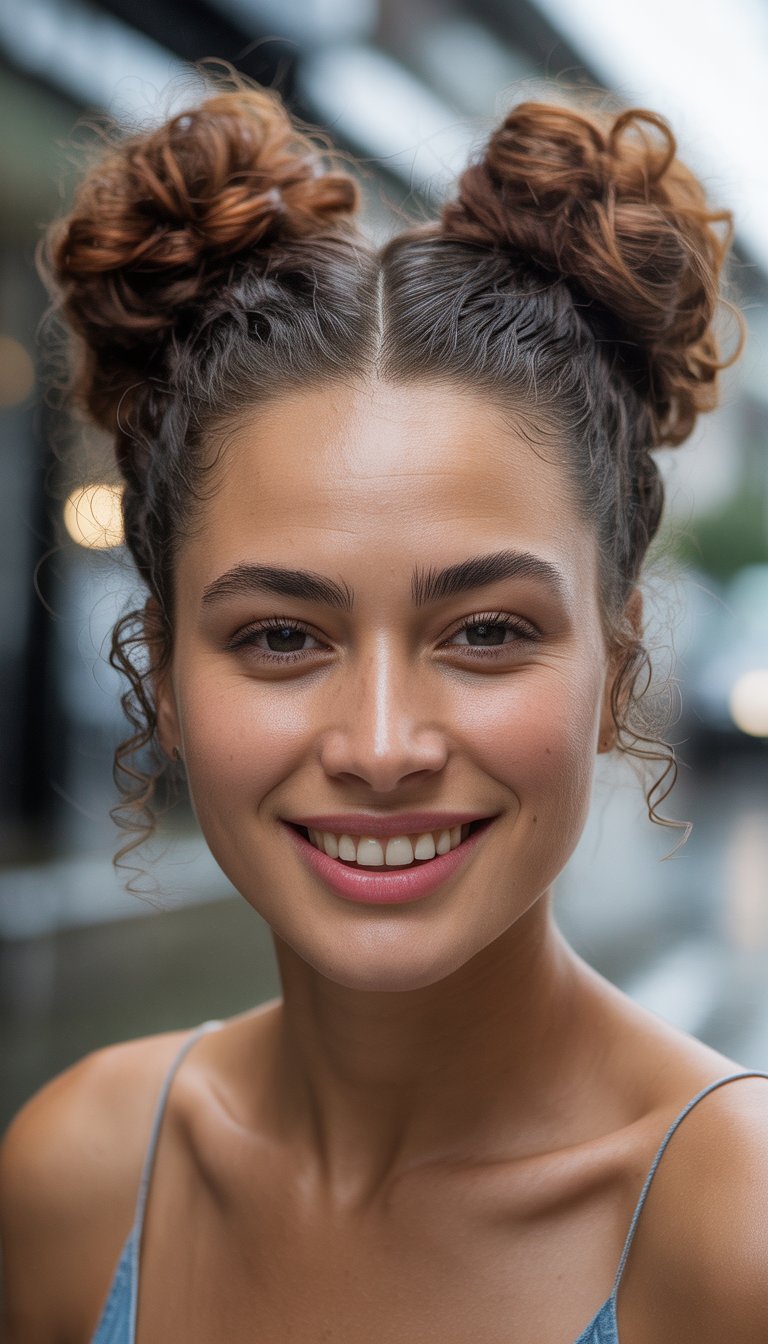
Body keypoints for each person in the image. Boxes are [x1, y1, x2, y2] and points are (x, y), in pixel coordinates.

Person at [1, 76, 767, 1344]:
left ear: (617, 666)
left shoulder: (733, 1240)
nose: (379, 746)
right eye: (282, 637)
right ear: (167, 682)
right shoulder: (75, 1179)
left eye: (486, 632)